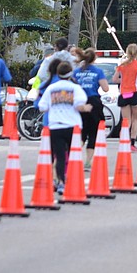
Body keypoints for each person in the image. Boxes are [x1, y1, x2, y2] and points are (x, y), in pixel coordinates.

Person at [37, 61, 91, 194]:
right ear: (70, 74)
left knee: (60, 156)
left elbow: (42, 106)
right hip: (73, 126)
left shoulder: (51, 88)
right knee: (73, 155)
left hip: (55, 125)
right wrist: (86, 108)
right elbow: (79, 105)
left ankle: (60, 182)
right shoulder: (75, 88)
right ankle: (73, 180)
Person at [72, 48, 109, 170]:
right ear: (94, 59)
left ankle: (74, 157)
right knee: (93, 132)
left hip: (79, 102)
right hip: (94, 102)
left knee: (80, 132)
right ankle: (88, 161)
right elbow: (105, 88)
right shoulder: (98, 71)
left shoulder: (76, 72)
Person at [111, 43, 137, 152]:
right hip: (134, 93)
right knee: (135, 119)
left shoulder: (121, 65)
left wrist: (123, 81)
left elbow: (114, 79)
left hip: (124, 93)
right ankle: (132, 143)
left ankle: (124, 140)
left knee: (126, 120)